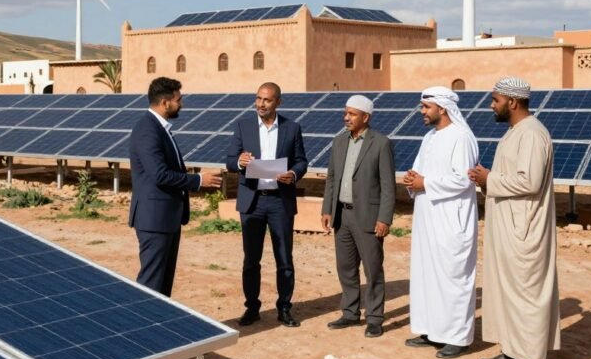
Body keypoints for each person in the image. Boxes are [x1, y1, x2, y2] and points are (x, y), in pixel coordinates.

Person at [469, 78, 559, 359]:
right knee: (507, 293)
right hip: (508, 227)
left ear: (513, 101)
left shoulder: (532, 134)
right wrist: (485, 181)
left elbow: (529, 182)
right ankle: (513, 351)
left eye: (495, 100)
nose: (491, 105)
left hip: (525, 230)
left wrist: (489, 179)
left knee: (527, 296)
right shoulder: (515, 133)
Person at [402, 86, 479, 359]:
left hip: (451, 218)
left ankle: (457, 337)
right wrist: (413, 179)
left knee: (453, 277)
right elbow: (419, 170)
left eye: (426, 107)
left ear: (442, 108)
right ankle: (432, 330)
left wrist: (425, 183)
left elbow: (464, 178)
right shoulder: (429, 138)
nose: (421, 112)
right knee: (427, 274)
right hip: (427, 216)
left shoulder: (462, 137)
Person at [225, 83, 308, 327]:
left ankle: (284, 307)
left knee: (284, 258)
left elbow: (301, 161)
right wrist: (239, 162)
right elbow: (231, 160)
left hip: (279, 202)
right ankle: (252, 307)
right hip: (253, 202)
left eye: (267, 100)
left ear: (278, 102)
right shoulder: (243, 126)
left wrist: (293, 174)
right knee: (251, 258)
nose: (261, 104)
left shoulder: (292, 128)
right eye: (258, 99)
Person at [129, 77, 221, 296]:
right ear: (164, 102)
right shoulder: (147, 129)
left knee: (163, 282)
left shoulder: (160, 129)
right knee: (151, 282)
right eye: (178, 99)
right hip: (154, 219)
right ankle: (143, 327)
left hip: (166, 218)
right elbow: (159, 174)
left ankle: (160, 325)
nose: (182, 104)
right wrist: (198, 180)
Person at [321, 95, 395, 338]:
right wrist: (327, 209)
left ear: (366, 117)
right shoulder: (339, 141)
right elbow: (332, 178)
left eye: (352, 114)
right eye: (346, 113)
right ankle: (350, 312)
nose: (346, 118)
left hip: (369, 217)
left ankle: (374, 317)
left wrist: (384, 218)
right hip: (342, 215)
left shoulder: (381, 143)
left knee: (373, 269)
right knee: (346, 267)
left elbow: (387, 185)